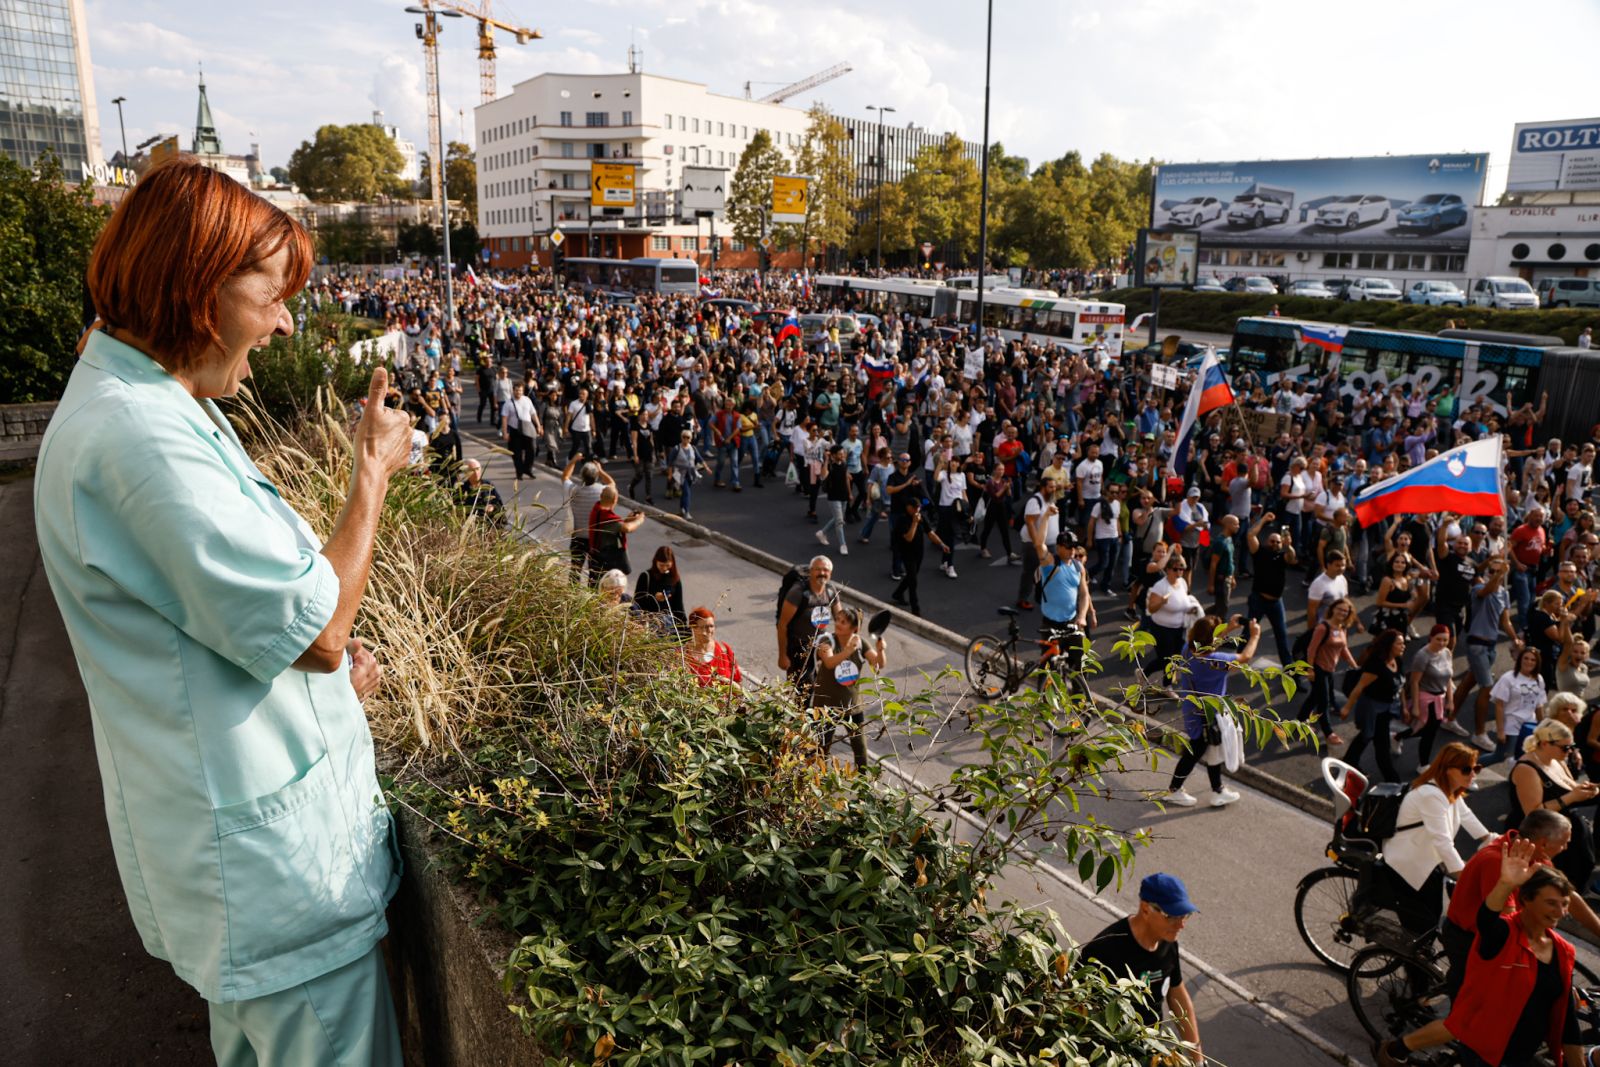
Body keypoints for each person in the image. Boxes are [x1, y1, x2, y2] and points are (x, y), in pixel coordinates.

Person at [35, 161, 408, 1060]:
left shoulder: (152, 406)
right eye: (272, 295)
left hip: (250, 881)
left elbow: (212, 626)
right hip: (279, 890)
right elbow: (318, 631)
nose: (285, 322)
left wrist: (328, 691)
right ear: (197, 286)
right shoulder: (141, 436)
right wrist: (371, 474)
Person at [1380, 838, 1586, 1067]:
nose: (1560, 912)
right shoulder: (1504, 935)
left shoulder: (1563, 951)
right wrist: (1505, 884)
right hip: (1484, 1054)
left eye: (1564, 904)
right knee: (1459, 1021)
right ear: (1526, 900)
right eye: (1551, 903)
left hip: (1520, 1057)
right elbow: (1487, 919)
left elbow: (1568, 1022)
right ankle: (1397, 1050)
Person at [1078, 873, 1205, 1065]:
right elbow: (1077, 1008)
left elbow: (1177, 994)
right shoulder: (1104, 950)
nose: (1181, 925)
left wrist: (1198, 1060)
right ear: (1146, 909)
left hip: (1149, 1050)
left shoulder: (1168, 942)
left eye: (1184, 915)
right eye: (1171, 916)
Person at [1379, 743, 1491, 936]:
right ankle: (1398, 951)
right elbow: (1443, 841)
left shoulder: (1450, 789)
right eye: (1466, 770)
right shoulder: (1431, 795)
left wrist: (1491, 839)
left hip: (1427, 859)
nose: (1473, 774)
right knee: (1423, 924)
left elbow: (1466, 816)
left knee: (1432, 917)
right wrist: (1464, 877)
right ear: (1448, 769)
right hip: (1408, 862)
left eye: (1476, 768)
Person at [1162, 615, 1259, 808]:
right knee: (1196, 750)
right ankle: (1174, 790)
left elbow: (1207, 644)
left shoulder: (1187, 650)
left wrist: (1227, 630)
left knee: (1211, 747)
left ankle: (1218, 791)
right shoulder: (1217, 661)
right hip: (1208, 713)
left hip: (1192, 708)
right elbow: (1245, 657)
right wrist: (1255, 635)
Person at [1509, 718, 1598, 893]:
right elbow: (1532, 812)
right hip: (1543, 836)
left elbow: (1570, 788)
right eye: (1565, 747)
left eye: (1571, 746)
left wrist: (1588, 790)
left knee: (1582, 866)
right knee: (1551, 882)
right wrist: (1572, 797)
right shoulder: (1526, 769)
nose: (1569, 751)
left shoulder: (1557, 760)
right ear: (1544, 743)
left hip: (1563, 830)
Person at [811, 605, 888, 769]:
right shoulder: (826, 641)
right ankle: (820, 778)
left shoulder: (861, 644)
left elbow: (878, 665)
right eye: (838, 619)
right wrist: (848, 651)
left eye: (843, 622)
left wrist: (880, 650)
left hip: (852, 706)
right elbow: (829, 662)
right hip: (826, 705)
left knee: (860, 748)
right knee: (823, 747)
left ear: (854, 628)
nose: (838, 624)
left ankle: (862, 779)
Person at [1343, 629, 1408, 783]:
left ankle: (1350, 760)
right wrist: (1347, 708)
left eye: (1403, 643)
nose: (1403, 646)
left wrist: (1404, 707)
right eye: (1399, 643)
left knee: (1370, 737)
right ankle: (1393, 781)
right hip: (1371, 708)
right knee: (1375, 740)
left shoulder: (1397, 661)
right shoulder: (1376, 665)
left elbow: (1401, 685)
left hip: (1386, 709)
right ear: (1389, 645)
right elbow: (1359, 687)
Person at [1298, 598, 1359, 746]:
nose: (1342, 613)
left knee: (1314, 697)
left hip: (1330, 669)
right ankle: (1328, 733)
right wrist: (1310, 669)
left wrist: (1355, 666)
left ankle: (1300, 721)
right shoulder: (1323, 628)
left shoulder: (1342, 628)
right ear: (1332, 609)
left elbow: (1343, 649)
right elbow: (1311, 649)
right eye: (1340, 609)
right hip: (1318, 668)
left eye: (1346, 611)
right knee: (1324, 701)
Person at [776, 555, 841, 689]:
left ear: (830, 573)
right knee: (803, 690)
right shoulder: (798, 593)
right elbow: (782, 625)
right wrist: (782, 655)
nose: (822, 573)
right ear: (811, 571)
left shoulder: (830, 590)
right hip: (799, 649)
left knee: (825, 686)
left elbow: (840, 619)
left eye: (825, 570)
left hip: (820, 644)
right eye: (818, 569)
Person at [1397, 625, 1455, 768]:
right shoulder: (1422, 656)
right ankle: (1423, 765)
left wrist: (1450, 700)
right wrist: (1416, 706)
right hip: (1425, 697)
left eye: (1445, 640)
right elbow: (1414, 682)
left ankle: (1397, 736)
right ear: (1431, 637)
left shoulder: (1447, 652)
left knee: (1426, 729)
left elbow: (1448, 678)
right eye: (1438, 639)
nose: (1442, 643)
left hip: (1439, 697)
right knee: (1429, 732)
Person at [1245, 510, 1296, 663]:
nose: (1274, 544)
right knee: (1247, 633)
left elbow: (1292, 558)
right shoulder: (1259, 552)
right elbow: (1250, 535)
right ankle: (1237, 660)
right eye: (1272, 541)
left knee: (1282, 636)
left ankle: (1290, 670)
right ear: (1267, 542)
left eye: (1278, 542)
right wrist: (1263, 520)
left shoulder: (1282, 556)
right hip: (1258, 599)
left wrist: (1289, 546)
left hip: (1276, 603)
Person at [1486, 647, 1553, 762]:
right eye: (1526, 658)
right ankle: (1468, 767)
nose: (1529, 662)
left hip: (1528, 726)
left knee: (1523, 758)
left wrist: (1541, 727)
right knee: (1501, 756)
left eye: (1533, 660)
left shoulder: (1539, 679)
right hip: (1511, 725)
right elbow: (1499, 705)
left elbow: (1539, 705)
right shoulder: (1508, 678)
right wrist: (1501, 731)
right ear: (1520, 660)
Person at [891, 497, 951, 617]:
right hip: (906, 552)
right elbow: (908, 538)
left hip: (918, 552)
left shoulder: (921, 516)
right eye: (915, 509)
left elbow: (930, 533)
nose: (917, 512)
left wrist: (941, 544)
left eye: (919, 509)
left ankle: (898, 593)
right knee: (913, 580)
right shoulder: (902, 520)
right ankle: (915, 609)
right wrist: (914, 522)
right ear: (909, 508)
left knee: (912, 575)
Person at [1145, 555, 1200, 670]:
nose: (1179, 571)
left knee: (1176, 659)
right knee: (1164, 661)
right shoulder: (1160, 586)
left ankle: (1166, 680)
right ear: (1168, 570)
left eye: (1181, 569)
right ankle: (1144, 673)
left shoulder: (1182, 582)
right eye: (1175, 569)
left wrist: (1191, 609)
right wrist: (1161, 602)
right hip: (1162, 630)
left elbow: (1182, 602)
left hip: (1179, 629)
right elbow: (1151, 609)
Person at [586, 485, 644, 583]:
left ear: (601, 497)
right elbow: (627, 528)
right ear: (615, 500)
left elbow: (617, 526)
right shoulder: (607, 517)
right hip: (605, 560)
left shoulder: (597, 510)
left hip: (595, 556)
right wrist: (639, 520)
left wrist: (627, 520)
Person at [684, 607, 742, 689]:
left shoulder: (724, 649)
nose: (709, 630)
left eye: (711, 626)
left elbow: (737, 680)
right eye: (704, 627)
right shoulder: (683, 655)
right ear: (693, 628)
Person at [634, 545, 686, 634]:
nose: (664, 568)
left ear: (672, 563)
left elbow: (678, 606)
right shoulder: (646, 576)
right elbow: (637, 602)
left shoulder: (674, 579)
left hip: (668, 625)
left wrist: (683, 628)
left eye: (667, 565)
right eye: (661, 565)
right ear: (656, 562)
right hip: (648, 625)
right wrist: (654, 597)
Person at [500, 380, 539, 482]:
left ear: (523, 391)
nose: (518, 392)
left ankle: (528, 469)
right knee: (516, 453)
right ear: (513, 391)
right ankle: (519, 472)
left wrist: (538, 425)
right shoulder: (508, 403)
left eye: (520, 390)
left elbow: (533, 413)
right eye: (517, 390)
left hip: (528, 428)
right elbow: (504, 418)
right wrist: (505, 432)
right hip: (515, 430)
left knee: (532, 449)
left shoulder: (527, 400)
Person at [456, 457, 505, 525]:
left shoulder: (488, 485)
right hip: (471, 524)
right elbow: (458, 509)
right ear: (466, 472)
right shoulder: (461, 489)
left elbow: (499, 503)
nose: (476, 473)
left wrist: (492, 507)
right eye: (472, 470)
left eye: (477, 469)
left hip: (490, 524)